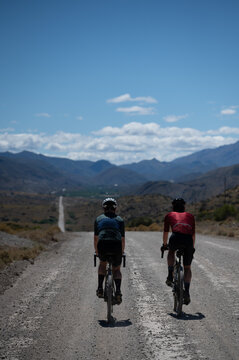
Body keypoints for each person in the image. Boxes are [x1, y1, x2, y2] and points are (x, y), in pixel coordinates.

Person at [162, 198, 195, 305]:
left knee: (171, 252)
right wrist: (192, 247)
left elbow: (166, 232)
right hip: (188, 240)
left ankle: (170, 274)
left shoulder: (169, 215)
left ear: (173, 207)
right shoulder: (190, 216)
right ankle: (187, 292)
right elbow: (193, 235)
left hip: (175, 237)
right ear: (184, 207)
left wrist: (165, 244)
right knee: (187, 268)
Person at [94, 197, 125, 304]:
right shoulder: (120, 220)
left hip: (102, 244)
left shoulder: (98, 219)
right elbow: (122, 239)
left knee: (102, 264)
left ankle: (100, 288)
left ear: (104, 208)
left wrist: (97, 252)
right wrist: (122, 252)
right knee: (116, 269)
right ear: (115, 209)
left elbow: (96, 238)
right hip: (116, 245)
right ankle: (118, 292)